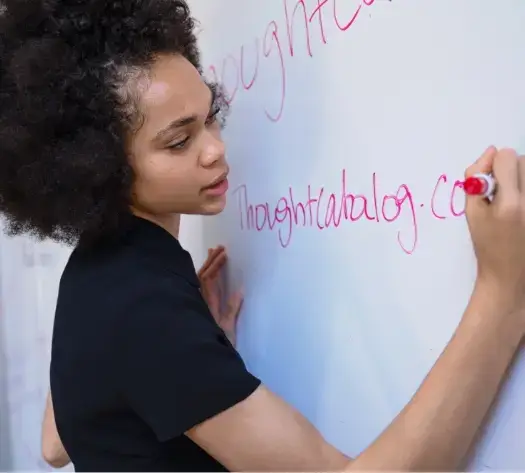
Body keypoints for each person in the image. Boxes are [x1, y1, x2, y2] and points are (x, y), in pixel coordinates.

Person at [0, 0, 524, 470]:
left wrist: (186, 367)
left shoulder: (96, 267)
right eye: (179, 140)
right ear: (97, 166)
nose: (215, 149)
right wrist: (501, 295)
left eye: (212, 116)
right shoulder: (142, 305)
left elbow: (54, 444)